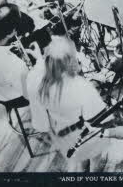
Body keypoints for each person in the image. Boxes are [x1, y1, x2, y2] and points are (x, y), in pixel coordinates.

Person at [26, 36, 107, 171]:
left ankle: (81, 167)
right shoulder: (81, 87)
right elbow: (100, 118)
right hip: (85, 135)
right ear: (69, 63)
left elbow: (41, 124)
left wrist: (39, 59)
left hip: (63, 135)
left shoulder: (34, 80)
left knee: (78, 156)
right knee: (95, 157)